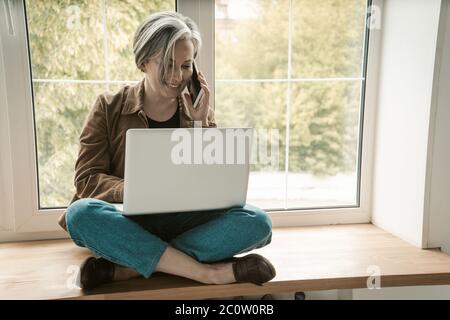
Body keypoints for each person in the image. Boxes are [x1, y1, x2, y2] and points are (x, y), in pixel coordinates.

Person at [58, 11, 276, 291]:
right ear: (143, 61)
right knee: (80, 215)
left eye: (186, 66)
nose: (177, 76)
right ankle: (205, 273)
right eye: (168, 64)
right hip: (128, 222)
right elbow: (87, 180)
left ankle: (128, 268)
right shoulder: (108, 106)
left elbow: (212, 183)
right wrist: (136, 190)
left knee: (258, 223)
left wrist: (199, 123)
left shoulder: (198, 112)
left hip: (181, 222)